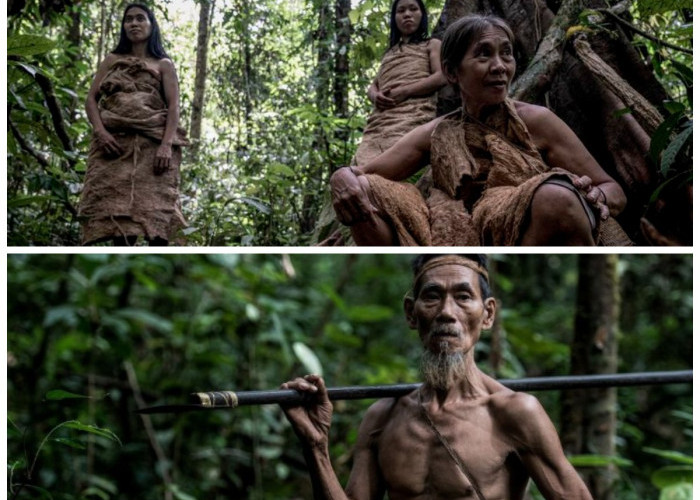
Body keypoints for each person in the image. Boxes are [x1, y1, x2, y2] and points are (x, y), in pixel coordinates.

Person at [281, 254, 593, 500]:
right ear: (411, 313)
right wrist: (316, 445)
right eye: (432, 295)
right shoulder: (382, 419)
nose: (446, 311)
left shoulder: (515, 414)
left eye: (462, 296)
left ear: (487, 314)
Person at [330, 15, 629, 246]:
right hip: (447, 231)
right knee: (361, 192)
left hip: (524, 230)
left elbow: (613, 190)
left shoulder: (537, 121)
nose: (500, 66)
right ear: (451, 72)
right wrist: (340, 178)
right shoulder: (437, 132)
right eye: (483, 55)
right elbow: (364, 175)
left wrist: (595, 198)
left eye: (506, 54)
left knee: (556, 198)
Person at [78, 3, 187, 246]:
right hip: (114, 145)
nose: (134, 24)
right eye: (129, 20)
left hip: (153, 147)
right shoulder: (112, 60)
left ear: (151, 25)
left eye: (140, 19)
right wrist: (100, 132)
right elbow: (91, 100)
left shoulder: (163, 64)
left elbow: (173, 107)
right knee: (119, 222)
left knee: (158, 218)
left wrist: (166, 145)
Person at [353, 0, 445, 166]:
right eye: (401, 11)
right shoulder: (389, 54)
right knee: (361, 164)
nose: (407, 14)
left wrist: (406, 91)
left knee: (385, 165)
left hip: (413, 115)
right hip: (380, 120)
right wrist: (375, 96)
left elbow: (440, 77)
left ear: (422, 15)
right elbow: (374, 85)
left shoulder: (431, 44)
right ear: (394, 18)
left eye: (413, 9)